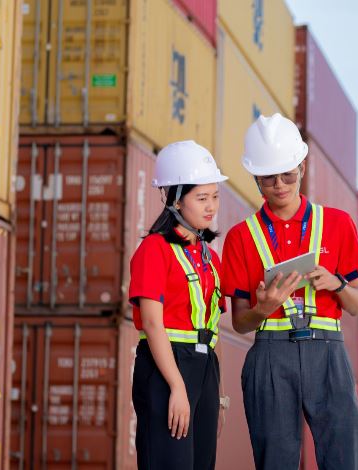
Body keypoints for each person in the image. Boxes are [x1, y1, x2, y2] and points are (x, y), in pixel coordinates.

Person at [221, 113, 358, 470]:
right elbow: (240, 322)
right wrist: (263, 308)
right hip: (270, 353)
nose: (280, 185)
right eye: (268, 178)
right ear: (255, 178)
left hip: (327, 350)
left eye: (288, 174)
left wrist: (337, 284)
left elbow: (357, 305)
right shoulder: (241, 237)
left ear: (302, 166)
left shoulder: (337, 224)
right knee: (275, 461)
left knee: (344, 458)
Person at [129, 140, 230, 469]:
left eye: (215, 196)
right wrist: (176, 386)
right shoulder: (154, 250)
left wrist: (219, 396)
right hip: (167, 367)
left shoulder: (211, 258)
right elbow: (152, 323)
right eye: (201, 198)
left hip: (205, 369)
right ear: (175, 199)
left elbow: (213, 330)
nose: (211, 206)